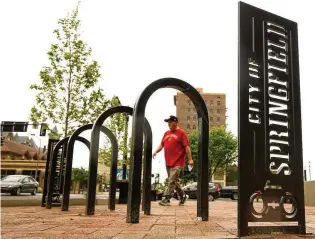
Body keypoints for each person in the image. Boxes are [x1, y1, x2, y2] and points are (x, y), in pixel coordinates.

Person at [153, 115, 194, 206]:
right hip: (168, 162)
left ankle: (166, 198)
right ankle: (183, 196)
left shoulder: (181, 133)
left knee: (171, 180)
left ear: (175, 122)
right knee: (174, 181)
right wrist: (156, 151)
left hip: (178, 162)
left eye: (170, 122)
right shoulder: (166, 133)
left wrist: (190, 159)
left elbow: (187, 147)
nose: (168, 124)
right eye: (168, 122)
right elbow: (162, 145)